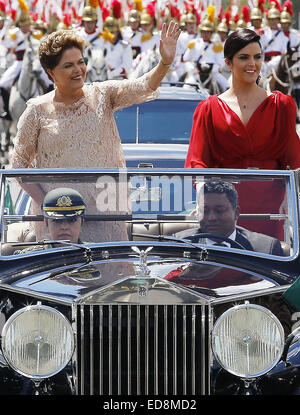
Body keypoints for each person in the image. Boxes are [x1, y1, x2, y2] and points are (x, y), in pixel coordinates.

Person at [9, 21, 181, 243]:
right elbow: (19, 167)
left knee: (111, 276)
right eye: (68, 65)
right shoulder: (36, 111)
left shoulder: (103, 95)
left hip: (105, 217)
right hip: (57, 224)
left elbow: (144, 86)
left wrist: (165, 62)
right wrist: (49, 205)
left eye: (81, 62)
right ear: (51, 72)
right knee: (57, 277)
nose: (78, 70)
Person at [185, 28, 300, 239]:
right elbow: (197, 161)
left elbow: (293, 161)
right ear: (228, 63)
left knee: (269, 266)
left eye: (257, 57)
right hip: (223, 208)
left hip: (271, 209)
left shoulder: (282, 105)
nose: (252, 64)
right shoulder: (208, 109)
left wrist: (290, 200)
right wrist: (203, 198)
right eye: (244, 57)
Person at [175, 180, 285, 256]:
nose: (212, 218)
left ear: (236, 213)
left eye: (219, 210)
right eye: (205, 211)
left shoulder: (265, 249)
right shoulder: (181, 243)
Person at [14, 187, 86, 254]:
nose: (64, 227)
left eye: (71, 220)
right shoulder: (31, 256)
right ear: (46, 223)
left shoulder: (94, 254)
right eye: (56, 221)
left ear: (81, 224)